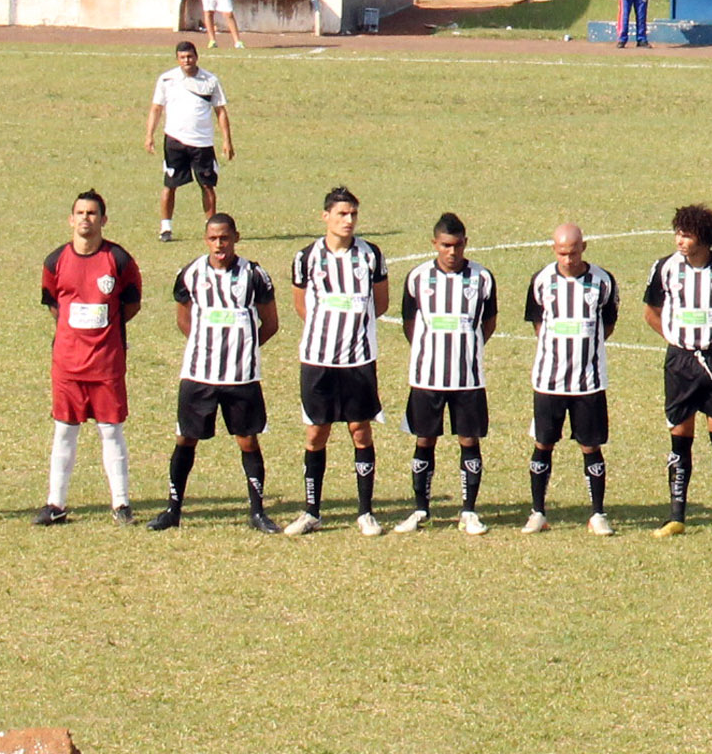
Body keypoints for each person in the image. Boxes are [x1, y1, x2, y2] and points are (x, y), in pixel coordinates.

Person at [147, 213, 281, 533]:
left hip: (241, 377)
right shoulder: (191, 273)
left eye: (225, 238)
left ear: (236, 237)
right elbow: (184, 320)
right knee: (186, 438)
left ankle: (257, 512)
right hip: (199, 375)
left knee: (247, 440)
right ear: (206, 239)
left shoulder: (254, 274)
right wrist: (205, 347)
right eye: (213, 238)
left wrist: (245, 347)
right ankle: (173, 509)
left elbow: (271, 323)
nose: (219, 244)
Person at [644, 205, 712, 539]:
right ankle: (676, 515)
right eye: (678, 233)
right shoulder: (664, 268)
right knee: (680, 439)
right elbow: (651, 311)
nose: (680, 240)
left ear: (703, 238)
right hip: (680, 363)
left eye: (686, 234)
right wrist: (677, 340)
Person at [283, 186, 390, 537]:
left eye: (353, 214)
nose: (348, 220)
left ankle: (365, 512)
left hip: (358, 360)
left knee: (360, 430)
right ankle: (312, 511)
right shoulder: (306, 257)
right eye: (342, 214)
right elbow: (302, 307)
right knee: (316, 433)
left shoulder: (371, 255)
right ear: (325, 216)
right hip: (318, 359)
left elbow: (381, 303)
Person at [34, 190, 142, 526]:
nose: (86, 219)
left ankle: (121, 504)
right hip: (67, 364)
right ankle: (56, 504)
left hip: (106, 363)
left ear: (103, 220)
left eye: (92, 213)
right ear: (71, 219)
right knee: (64, 430)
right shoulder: (55, 261)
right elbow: (54, 305)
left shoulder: (119, 260)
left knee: (111, 430)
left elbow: (131, 304)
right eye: (80, 212)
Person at [397, 213, 498, 535]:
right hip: (427, 377)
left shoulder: (482, 278)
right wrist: (429, 349)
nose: (451, 252)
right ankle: (420, 509)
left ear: (465, 243)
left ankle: (469, 511)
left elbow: (489, 321)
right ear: (434, 244)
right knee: (424, 438)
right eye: (445, 246)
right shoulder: (418, 277)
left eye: (457, 246)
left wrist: (468, 346)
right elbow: (409, 323)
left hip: (468, 377)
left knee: (469, 439)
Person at [522, 223, 620, 536]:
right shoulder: (541, 281)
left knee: (591, 446)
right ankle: (538, 511)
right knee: (543, 443)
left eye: (573, 252)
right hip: (549, 380)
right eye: (562, 253)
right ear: (555, 250)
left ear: (584, 247)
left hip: (588, 381)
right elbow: (538, 324)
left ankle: (598, 513)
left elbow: (608, 324)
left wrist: (584, 349)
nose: (568, 259)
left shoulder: (602, 282)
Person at [144, 40, 234, 243]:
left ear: (197, 57)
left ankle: (211, 227)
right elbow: (156, 108)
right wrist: (149, 134)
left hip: (202, 142)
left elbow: (220, 111)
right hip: (174, 140)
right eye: (183, 57)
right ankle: (165, 227)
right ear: (177, 59)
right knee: (170, 184)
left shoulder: (210, 80)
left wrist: (227, 141)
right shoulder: (166, 79)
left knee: (207, 185)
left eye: (190, 56)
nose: (187, 60)